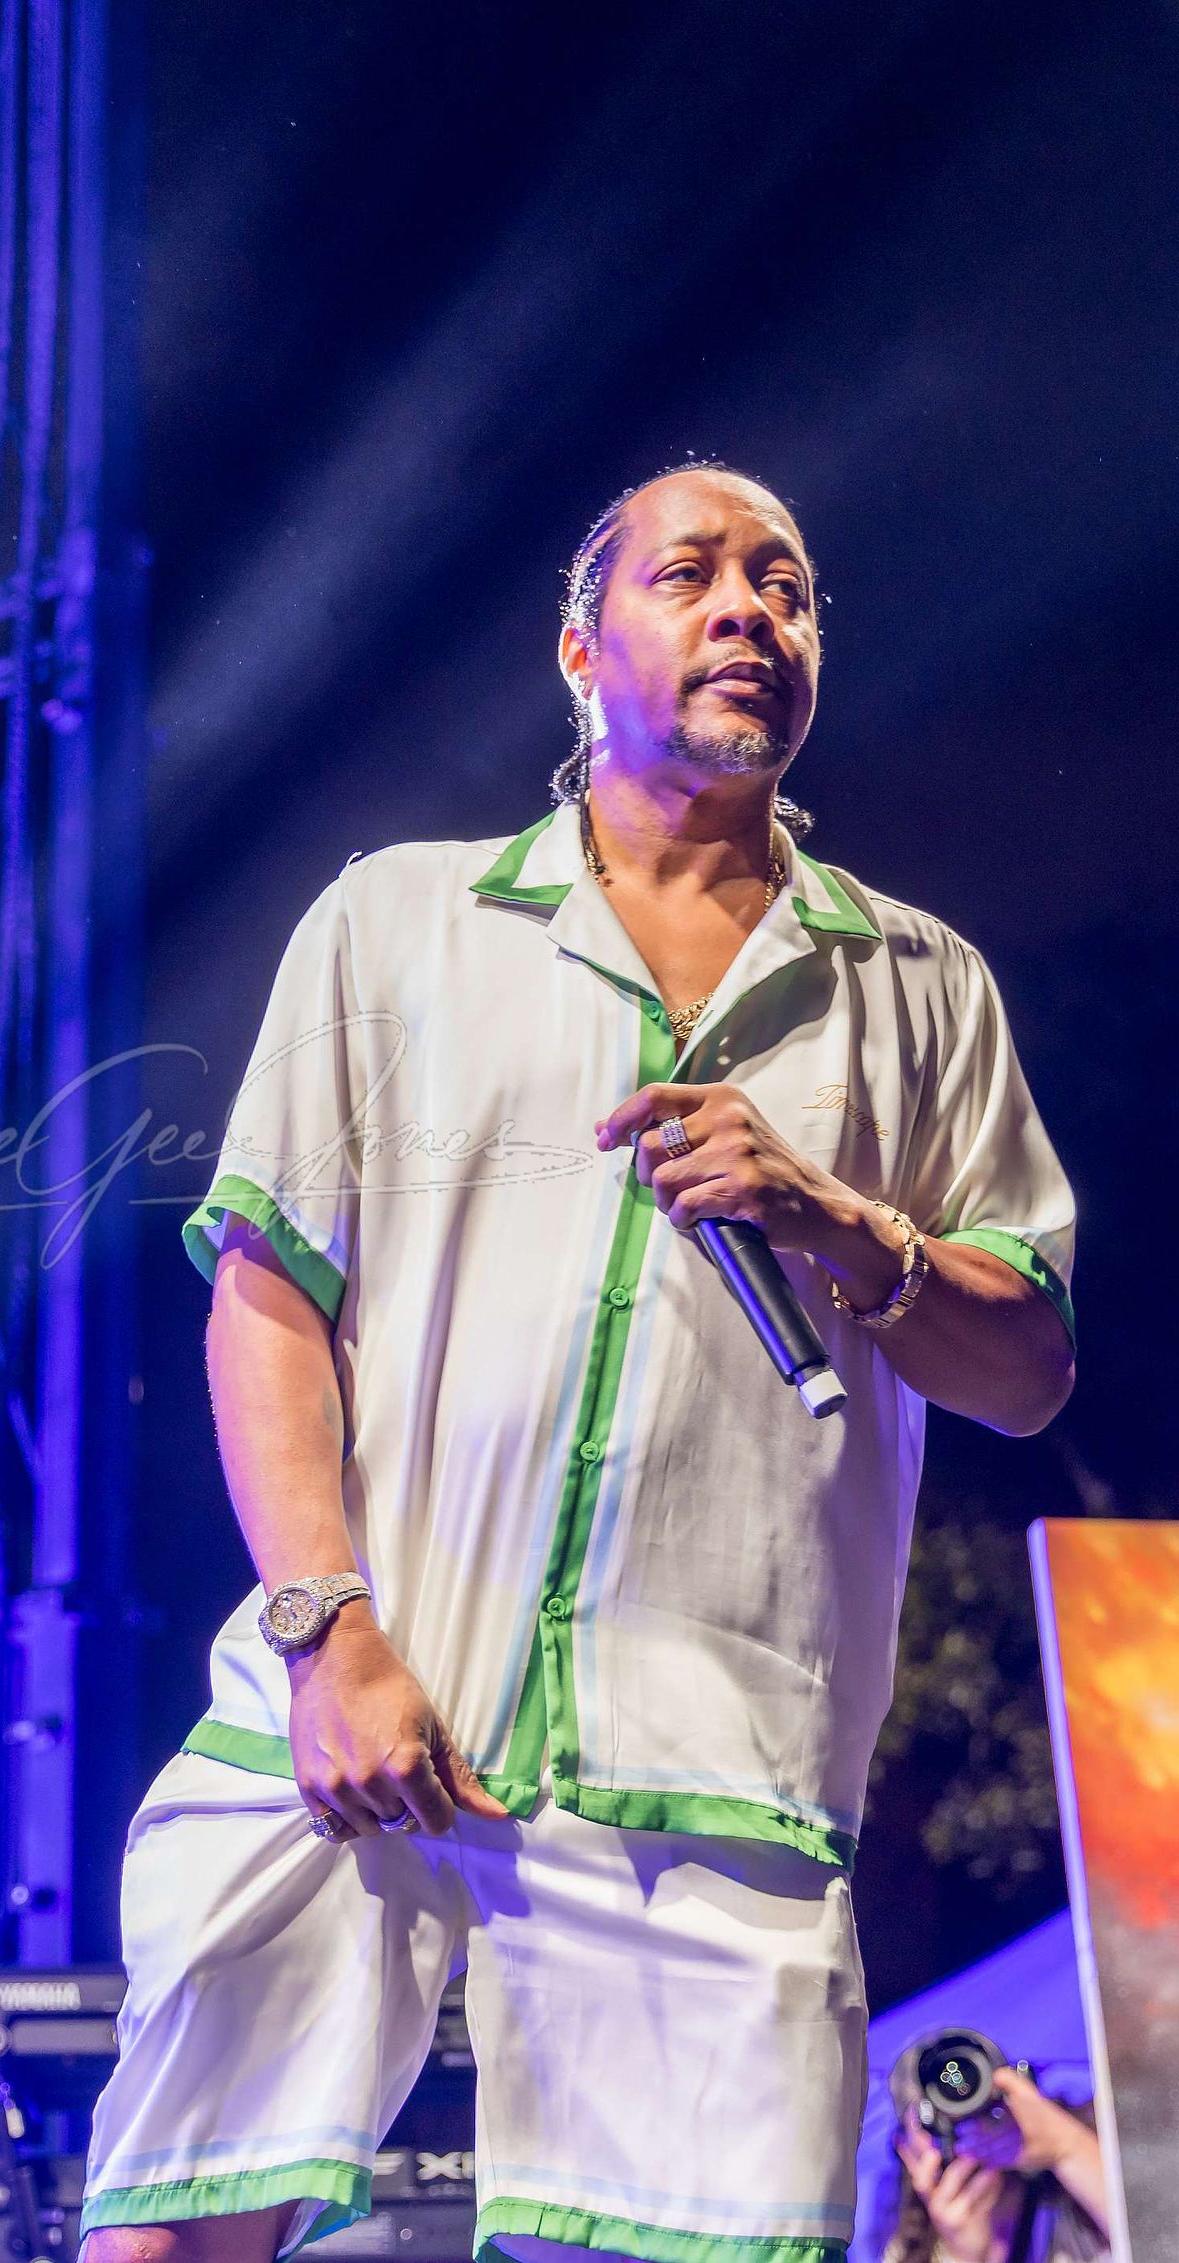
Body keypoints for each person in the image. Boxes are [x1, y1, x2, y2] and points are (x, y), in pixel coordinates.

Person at [79, 464, 1078, 2263]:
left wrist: (837, 1218)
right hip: (362, 1700)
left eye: (785, 585)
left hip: (714, 1767)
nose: (749, 609)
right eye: (690, 573)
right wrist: (326, 1633)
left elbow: (1023, 1368)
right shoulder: (400, 924)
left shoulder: (919, 984)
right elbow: (266, 1294)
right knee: (171, 2229)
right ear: (575, 647)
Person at [888, 2065, 1109, 2263]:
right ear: (905, 2149)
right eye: (932, 2115)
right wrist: (966, 2258)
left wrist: (1065, 2146)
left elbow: (1131, 2225)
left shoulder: (1072, 2213)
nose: (964, 2124)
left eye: (974, 2097)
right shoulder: (905, 2252)